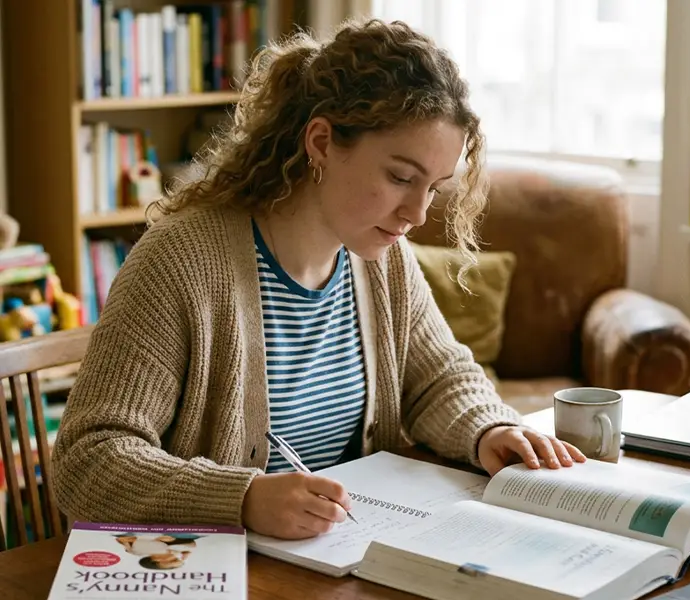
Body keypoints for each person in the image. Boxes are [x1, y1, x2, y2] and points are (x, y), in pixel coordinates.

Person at [51, 17, 585, 541]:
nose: (418, 214)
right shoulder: (181, 261)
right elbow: (87, 459)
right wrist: (242, 499)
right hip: (215, 568)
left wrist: (489, 428)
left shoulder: (383, 260)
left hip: (338, 558)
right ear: (323, 142)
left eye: (433, 187)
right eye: (400, 177)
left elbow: (438, 378)